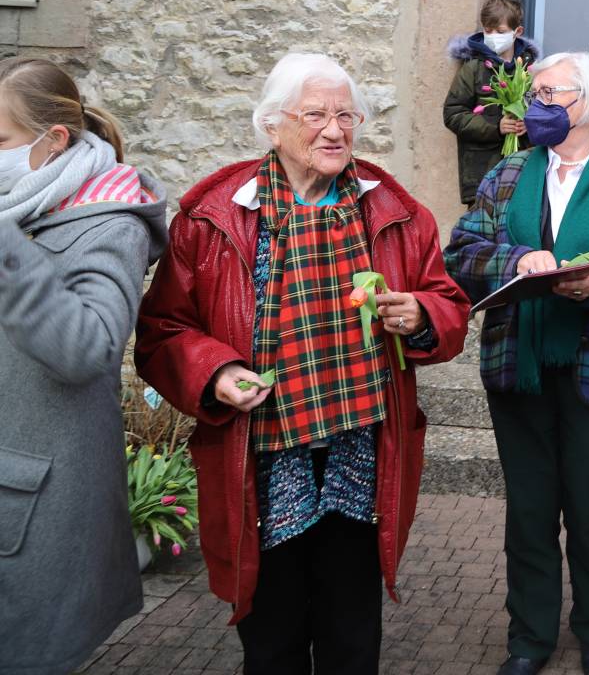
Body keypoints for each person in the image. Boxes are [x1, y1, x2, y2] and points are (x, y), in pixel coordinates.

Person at [135, 53, 470, 674]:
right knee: (273, 636)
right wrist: (214, 371)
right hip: (260, 454)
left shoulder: (394, 211)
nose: (335, 130)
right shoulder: (213, 217)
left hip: (361, 450)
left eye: (347, 115)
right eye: (315, 114)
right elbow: (162, 332)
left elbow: (449, 303)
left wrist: (422, 314)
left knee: (351, 633)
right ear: (273, 124)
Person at [443, 51, 589, 675]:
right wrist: (517, 261)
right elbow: (461, 253)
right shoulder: (507, 174)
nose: (535, 107)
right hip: (517, 368)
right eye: (535, 95)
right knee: (528, 510)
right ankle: (529, 638)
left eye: (549, 95)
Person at [0, 59, 168, 675]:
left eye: (2, 142)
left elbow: (87, 347)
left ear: (55, 140)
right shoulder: (16, 203)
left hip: (32, 502)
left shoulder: (108, 220)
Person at [444, 0, 538, 206]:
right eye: (488, 30)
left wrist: (529, 125)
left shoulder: (531, 70)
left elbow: (547, 112)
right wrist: (496, 126)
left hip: (524, 170)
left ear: (517, 32)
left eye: (501, 32)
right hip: (482, 173)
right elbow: (453, 114)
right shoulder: (474, 68)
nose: (493, 36)